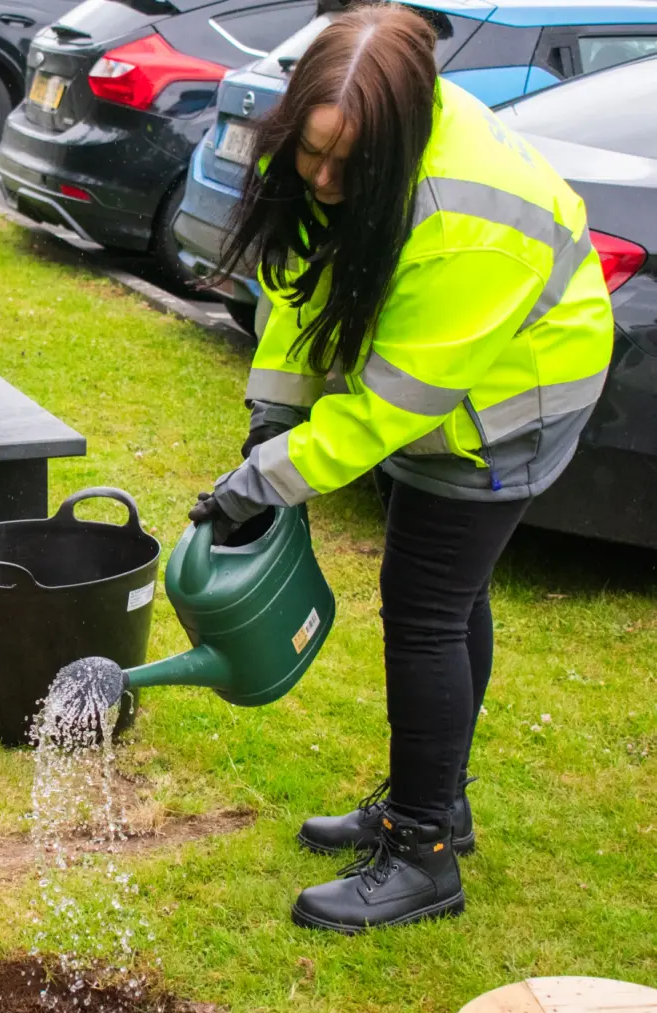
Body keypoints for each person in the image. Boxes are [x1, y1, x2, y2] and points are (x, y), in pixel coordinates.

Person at [189, 3, 613, 934]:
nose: (327, 180)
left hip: (514, 394)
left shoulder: (467, 212)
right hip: (441, 373)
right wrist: (274, 412)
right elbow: (306, 279)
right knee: (447, 599)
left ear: (402, 134)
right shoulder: (342, 127)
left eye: (352, 167)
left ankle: (422, 851)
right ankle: (439, 802)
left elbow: (393, 407)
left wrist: (266, 478)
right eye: (312, 156)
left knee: (423, 606)